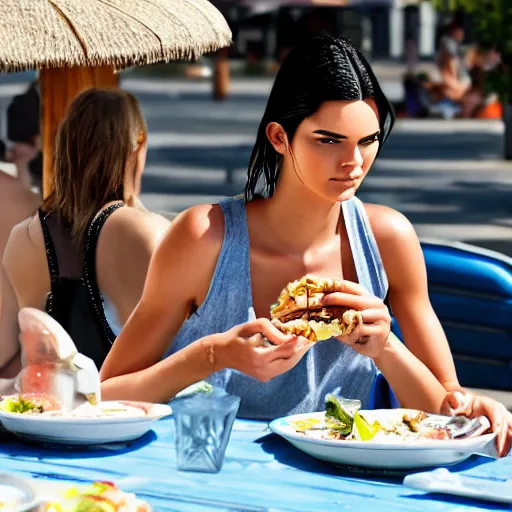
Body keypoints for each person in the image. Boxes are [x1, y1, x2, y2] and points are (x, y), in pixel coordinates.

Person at [100, 36, 511, 456]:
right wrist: (212, 354)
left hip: (338, 484)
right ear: (279, 137)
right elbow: (106, 396)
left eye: (367, 141)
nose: (353, 162)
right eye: (329, 140)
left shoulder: (389, 240)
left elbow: (446, 413)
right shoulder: (203, 236)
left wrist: (386, 346)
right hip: (202, 472)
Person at [0, 88, 170, 382]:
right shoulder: (144, 230)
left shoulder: (24, 238)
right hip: (128, 412)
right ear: (137, 146)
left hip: (51, 409)